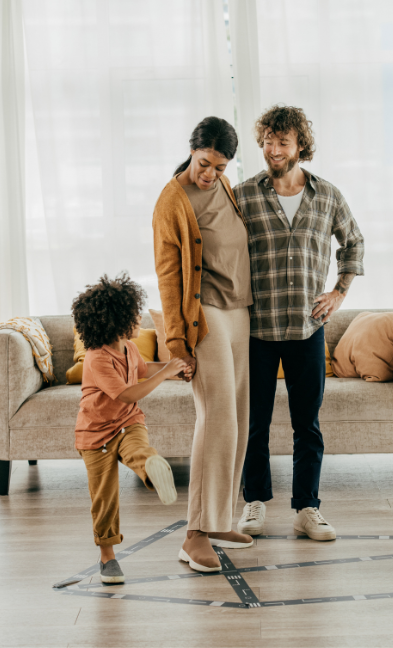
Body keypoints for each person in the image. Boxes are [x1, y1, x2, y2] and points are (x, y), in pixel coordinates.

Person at [234, 105, 365, 541]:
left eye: (282, 142)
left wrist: (339, 292)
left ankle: (307, 508)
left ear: (300, 147)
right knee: (254, 423)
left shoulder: (326, 196)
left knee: (306, 424)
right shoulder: (244, 195)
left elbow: (354, 243)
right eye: (268, 141)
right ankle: (254, 502)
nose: (273, 150)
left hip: (308, 329)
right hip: (256, 330)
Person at [153, 116, 254, 573]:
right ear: (191, 151)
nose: (209, 173)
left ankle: (219, 520)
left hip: (239, 311)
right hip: (206, 314)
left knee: (238, 417)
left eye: (218, 166)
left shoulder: (225, 186)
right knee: (216, 419)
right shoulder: (173, 201)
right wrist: (177, 343)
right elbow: (168, 276)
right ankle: (194, 534)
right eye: (203, 163)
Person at [73, 272, 187, 584]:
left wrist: (174, 368)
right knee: (104, 497)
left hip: (126, 422)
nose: (139, 319)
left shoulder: (129, 348)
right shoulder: (97, 358)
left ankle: (152, 470)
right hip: (94, 436)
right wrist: (164, 376)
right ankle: (108, 557)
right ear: (115, 320)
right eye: (134, 315)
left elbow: (144, 370)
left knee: (140, 449)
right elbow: (126, 392)